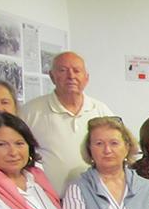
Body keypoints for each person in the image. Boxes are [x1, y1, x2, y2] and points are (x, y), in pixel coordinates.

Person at [21, 51, 113, 195]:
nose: (71, 76)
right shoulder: (30, 112)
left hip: (96, 199)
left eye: (77, 71)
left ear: (86, 78)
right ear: (52, 76)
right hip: (50, 199)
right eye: (63, 70)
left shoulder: (101, 110)